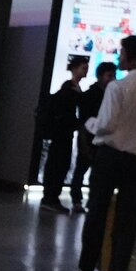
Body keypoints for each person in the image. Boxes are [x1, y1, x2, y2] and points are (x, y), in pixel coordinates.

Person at [75, 34, 136, 271]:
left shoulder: (117, 87)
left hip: (110, 156)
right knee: (128, 218)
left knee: (97, 213)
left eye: (122, 53)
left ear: (133, 58)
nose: (119, 56)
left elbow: (106, 125)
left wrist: (90, 124)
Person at [39, 54, 89, 214]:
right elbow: (68, 112)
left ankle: (51, 197)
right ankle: (51, 197)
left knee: (59, 164)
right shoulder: (70, 88)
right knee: (59, 164)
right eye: (83, 68)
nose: (86, 71)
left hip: (62, 133)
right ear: (75, 68)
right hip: (63, 134)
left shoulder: (71, 87)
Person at [70, 61, 116, 213]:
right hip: (89, 138)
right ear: (100, 76)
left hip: (96, 137)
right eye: (110, 75)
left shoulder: (98, 94)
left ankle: (82, 200)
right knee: (84, 169)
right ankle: (80, 200)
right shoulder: (93, 95)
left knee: (87, 170)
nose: (112, 79)